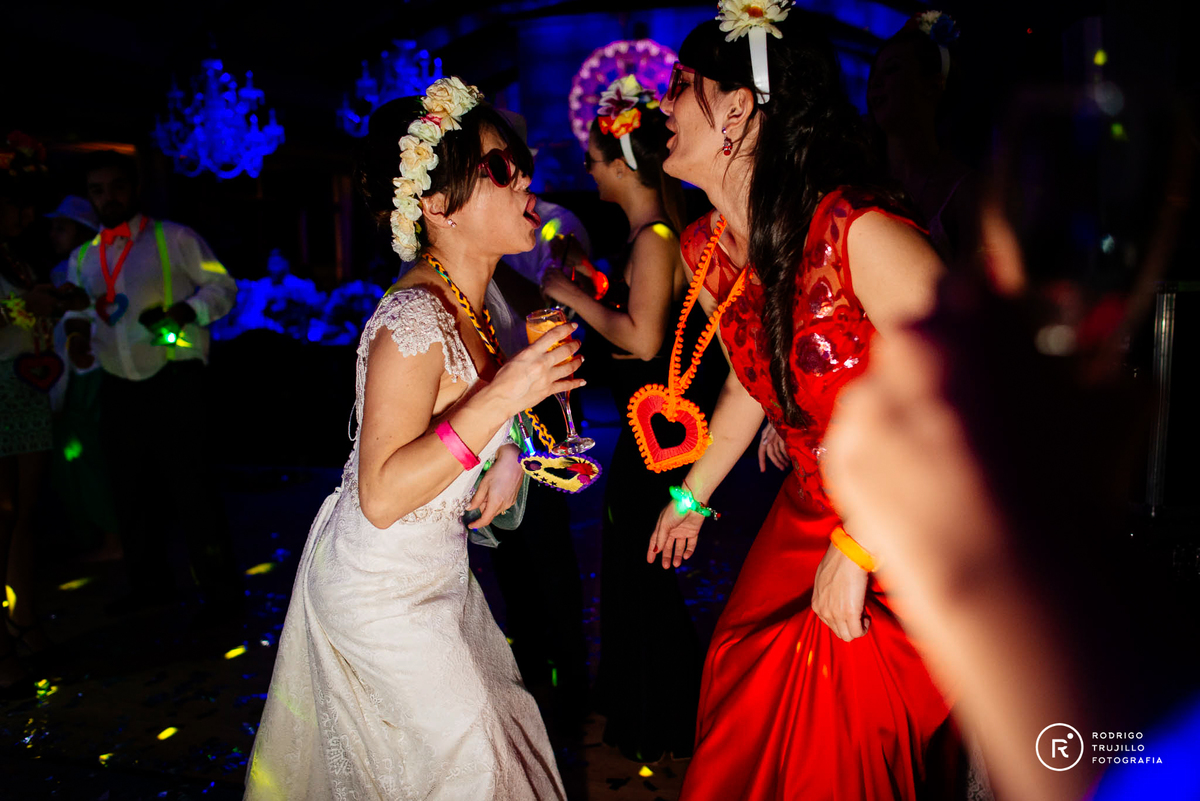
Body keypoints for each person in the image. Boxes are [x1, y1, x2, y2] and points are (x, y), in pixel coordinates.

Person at [648, 11, 952, 800]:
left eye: (682, 87)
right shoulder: (708, 249)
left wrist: (858, 548)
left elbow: (972, 392)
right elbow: (754, 378)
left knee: (830, 708)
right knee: (740, 674)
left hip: (909, 517)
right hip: (807, 510)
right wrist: (692, 493)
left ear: (740, 111)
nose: (664, 105)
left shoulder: (857, 229)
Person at [246, 78, 576, 799]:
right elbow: (384, 492)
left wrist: (512, 448)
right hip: (379, 591)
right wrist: (503, 399)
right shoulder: (411, 323)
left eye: (518, 160)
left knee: (498, 737)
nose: (524, 177)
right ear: (435, 203)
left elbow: (464, 414)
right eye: (499, 167)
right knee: (476, 764)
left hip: (440, 575)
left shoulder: (480, 300)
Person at [541, 75, 718, 762]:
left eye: (593, 156)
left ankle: (660, 718)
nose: (586, 168)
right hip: (652, 435)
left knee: (640, 574)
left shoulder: (654, 236)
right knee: (634, 571)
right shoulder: (655, 234)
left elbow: (642, 340)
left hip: (656, 442)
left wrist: (564, 291)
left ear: (622, 165)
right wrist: (592, 284)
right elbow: (643, 331)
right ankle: (648, 710)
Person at [62, 150, 242, 618]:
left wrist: (184, 311)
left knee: (192, 488)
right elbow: (78, 313)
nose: (107, 198)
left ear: (134, 188)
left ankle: (220, 594)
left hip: (175, 377)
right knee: (129, 489)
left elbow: (223, 288)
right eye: (97, 191)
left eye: (115, 186)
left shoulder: (173, 238)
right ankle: (150, 586)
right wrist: (77, 338)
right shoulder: (81, 258)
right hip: (116, 382)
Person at [868, 11, 975, 264]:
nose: (876, 83)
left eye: (892, 70)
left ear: (933, 86)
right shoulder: (862, 177)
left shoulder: (966, 192)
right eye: (875, 74)